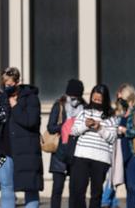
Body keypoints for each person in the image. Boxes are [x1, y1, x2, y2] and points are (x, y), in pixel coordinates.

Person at [0, 67, 43, 208]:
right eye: (5, 84)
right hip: (6, 148)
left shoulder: (31, 98)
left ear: (17, 82)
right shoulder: (2, 98)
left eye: (10, 84)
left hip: (26, 150)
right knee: (6, 185)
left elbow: (30, 121)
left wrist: (15, 105)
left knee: (30, 186)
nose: (7, 87)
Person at [69, 84, 118, 208]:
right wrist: (85, 125)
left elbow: (112, 138)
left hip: (101, 159)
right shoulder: (84, 112)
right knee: (78, 191)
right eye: (94, 99)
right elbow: (73, 131)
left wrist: (100, 128)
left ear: (105, 100)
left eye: (99, 100)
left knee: (96, 193)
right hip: (81, 156)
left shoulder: (111, 117)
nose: (96, 102)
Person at [47, 79, 85, 208]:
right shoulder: (59, 105)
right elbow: (50, 127)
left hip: (76, 152)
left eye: (76, 96)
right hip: (60, 153)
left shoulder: (84, 107)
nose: (73, 99)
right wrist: (65, 125)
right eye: (71, 96)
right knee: (57, 188)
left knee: (74, 189)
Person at [115, 84, 135, 208]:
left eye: (121, 99)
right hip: (124, 154)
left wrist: (124, 130)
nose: (120, 102)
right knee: (128, 187)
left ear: (129, 98)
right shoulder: (124, 113)